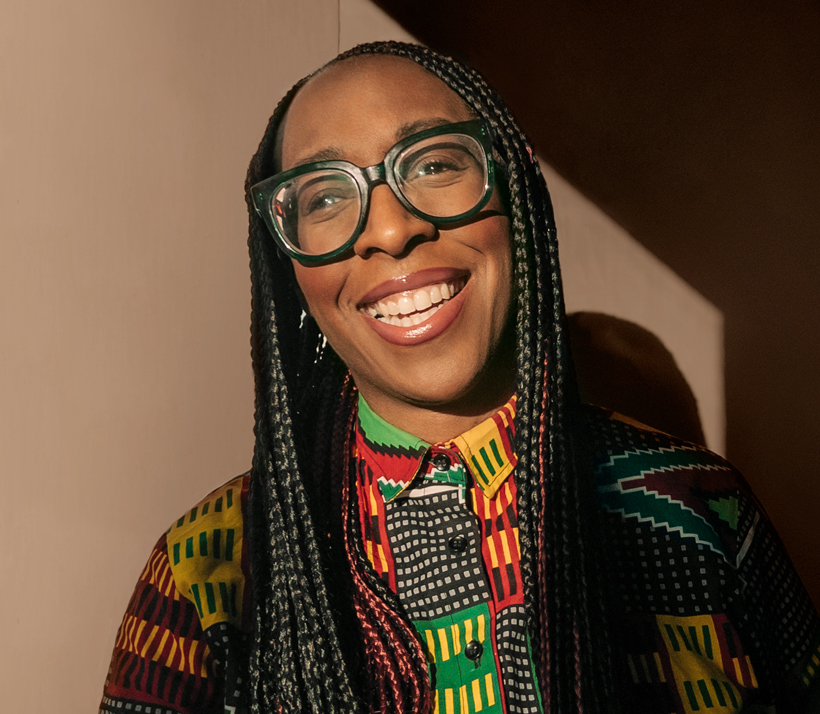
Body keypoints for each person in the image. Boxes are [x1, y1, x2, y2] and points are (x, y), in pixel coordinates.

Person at [99, 42, 820, 714]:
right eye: (324, 197)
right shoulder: (207, 571)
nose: (388, 230)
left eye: (434, 165)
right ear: (289, 266)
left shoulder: (700, 508)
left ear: (517, 185)